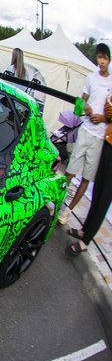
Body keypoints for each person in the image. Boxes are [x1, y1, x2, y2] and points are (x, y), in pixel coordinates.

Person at [59, 43, 112, 225]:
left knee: (86, 178)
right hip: (86, 131)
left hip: (100, 137)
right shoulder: (91, 78)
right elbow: (79, 104)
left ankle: (68, 211)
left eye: (105, 58)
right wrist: (86, 108)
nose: (102, 61)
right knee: (70, 171)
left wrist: (103, 118)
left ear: (109, 60)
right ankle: (56, 202)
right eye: (99, 57)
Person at [67, 88, 112, 254]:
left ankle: (86, 240)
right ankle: (84, 231)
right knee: (98, 191)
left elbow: (109, 110)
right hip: (108, 142)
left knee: (104, 196)